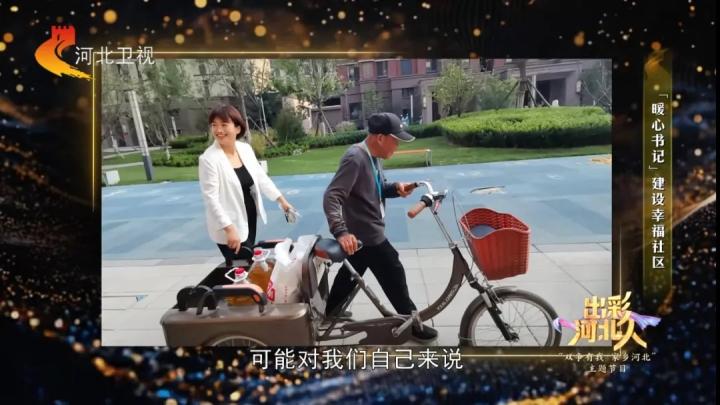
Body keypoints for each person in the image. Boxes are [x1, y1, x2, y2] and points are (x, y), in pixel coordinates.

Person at [323, 112, 438, 342]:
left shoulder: (372, 156)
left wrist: (395, 188)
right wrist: (341, 232)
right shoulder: (355, 158)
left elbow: (376, 187)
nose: (397, 146)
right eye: (395, 140)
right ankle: (412, 324)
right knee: (394, 273)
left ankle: (331, 311)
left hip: (362, 235)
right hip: (367, 235)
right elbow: (331, 196)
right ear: (380, 138)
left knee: (350, 274)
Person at [199, 104, 295, 264]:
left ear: (237, 128)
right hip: (227, 225)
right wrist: (229, 228)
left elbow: (261, 177)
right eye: (214, 125)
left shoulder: (245, 149)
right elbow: (211, 199)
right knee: (240, 265)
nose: (218, 130)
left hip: (248, 216)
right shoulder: (209, 159)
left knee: (247, 262)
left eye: (224, 124)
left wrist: (282, 200)